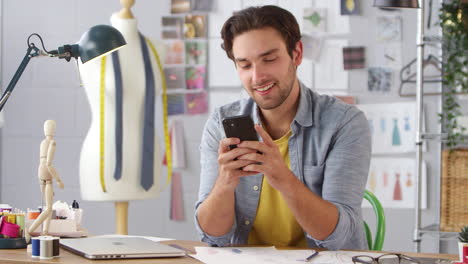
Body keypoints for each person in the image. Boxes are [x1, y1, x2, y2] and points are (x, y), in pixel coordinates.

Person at [194, 5, 371, 250]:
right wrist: (225, 182)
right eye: (245, 65)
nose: (257, 77)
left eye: (269, 59)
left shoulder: (344, 123)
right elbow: (212, 237)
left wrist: (283, 178)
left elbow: (339, 237)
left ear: (296, 53)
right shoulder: (220, 124)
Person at [27, 120, 64, 240]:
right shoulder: (52, 143)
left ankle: (45, 231)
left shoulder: (42, 142)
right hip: (46, 172)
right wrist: (58, 180)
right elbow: (49, 164)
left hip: (40, 171)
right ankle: (30, 230)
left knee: (48, 204)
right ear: (54, 130)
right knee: (48, 207)